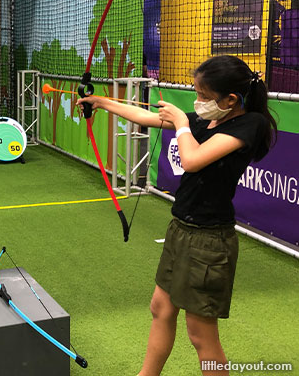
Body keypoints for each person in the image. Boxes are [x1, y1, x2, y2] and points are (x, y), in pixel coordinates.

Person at [77, 55, 277, 376]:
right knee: (161, 309)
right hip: (181, 229)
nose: (198, 103)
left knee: (200, 333)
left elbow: (193, 160)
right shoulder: (207, 119)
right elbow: (146, 117)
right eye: (196, 94)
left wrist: (182, 125)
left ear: (230, 99)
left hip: (210, 241)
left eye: (203, 96)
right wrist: (100, 101)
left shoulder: (249, 125)